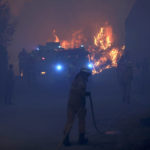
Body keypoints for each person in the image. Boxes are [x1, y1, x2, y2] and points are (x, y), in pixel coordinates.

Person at [63, 68, 92, 146]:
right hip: (78, 103)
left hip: (71, 103)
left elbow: (75, 90)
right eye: (88, 75)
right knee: (81, 121)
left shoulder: (76, 79)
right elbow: (80, 91)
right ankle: (81, 139)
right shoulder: (81, 81)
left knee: (70, 121)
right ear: (85, 74)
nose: (88, 77)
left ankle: (65, 139)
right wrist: (84, 95)